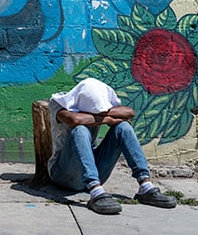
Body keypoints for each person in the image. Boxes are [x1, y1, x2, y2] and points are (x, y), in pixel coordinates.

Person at [48, 77, 177, 214]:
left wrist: (102, 112)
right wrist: (108, 118)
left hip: (96, 171)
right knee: (80, 129)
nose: (100, 111)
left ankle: (145, 186)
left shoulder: (100, 100)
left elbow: (129, 112)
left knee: (123, 126)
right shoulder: (58, 103)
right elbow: (74, 119)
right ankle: (96, 192)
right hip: (63, 174)